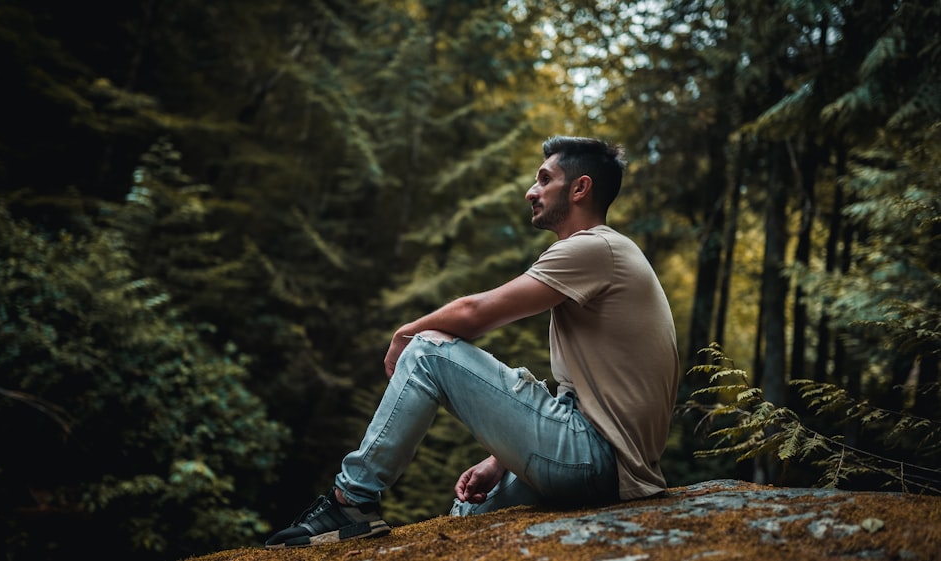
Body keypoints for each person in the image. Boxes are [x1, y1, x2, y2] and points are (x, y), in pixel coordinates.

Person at [264, 135, 681, 549]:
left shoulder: (595, 248)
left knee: (428, 350)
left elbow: (475, 314)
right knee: (469, 516)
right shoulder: (606, 254)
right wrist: (502, 460)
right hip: (605, 464)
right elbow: (586, 398)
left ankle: (350, 502)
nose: (530, 191)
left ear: (579, 188)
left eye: (543, 179)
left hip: (594, 460)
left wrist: (404, 334)